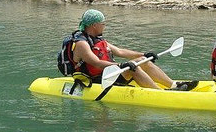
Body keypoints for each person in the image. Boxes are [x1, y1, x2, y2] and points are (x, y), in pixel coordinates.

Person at [65, 9, 198, 91]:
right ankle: (159, 92)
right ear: (94, 25)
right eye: (103, 23)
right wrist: (121, 65)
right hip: (99, 79)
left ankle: (173, 85)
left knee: (142, 61)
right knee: (132, 67)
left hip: (109, 74)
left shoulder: (96, 39)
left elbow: (120, 52)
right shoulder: (82, 43)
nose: (104, 26)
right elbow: (96, 63)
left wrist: (144, 54)